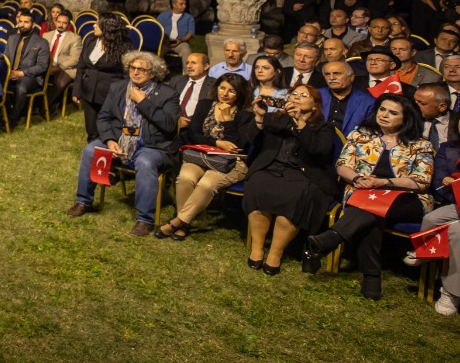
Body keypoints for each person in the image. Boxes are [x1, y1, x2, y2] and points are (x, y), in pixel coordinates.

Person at [304, 94, 436, 299]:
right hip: (364, 193)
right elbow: (342, 165)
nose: (384, 115)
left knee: (370, 211)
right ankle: (371, 278)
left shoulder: (420, 144)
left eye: (393, 113)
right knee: (373, 216)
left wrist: (383, 183)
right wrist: (357, 178)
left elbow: (421, 181)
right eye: (382, 109)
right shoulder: (360, 135)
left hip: (406, 199)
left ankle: (334, 239)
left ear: (406, 118)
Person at [66, 52, 179, 236]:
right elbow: (103, 117)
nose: (135, 72)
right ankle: (83, 201)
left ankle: (145, 219)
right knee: (91, 149)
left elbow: (169, 125)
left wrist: (143, 102)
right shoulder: (118, 88)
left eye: (141, 69)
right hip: (119, 141)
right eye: (132, 68)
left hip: (152, 145)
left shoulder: (168, 94)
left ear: (153, 73)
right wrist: (110, 141)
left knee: (145, 162)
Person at [242, 86, 338, 275]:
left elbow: (319, 152)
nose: (297, 98)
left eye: (304, 95)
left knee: (296, 196)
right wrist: (260, 117)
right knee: (257, 184)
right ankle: (257, 248)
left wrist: (301, 124)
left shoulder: (324, 128)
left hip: (304, 174)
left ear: (314, 106)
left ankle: (275, 254)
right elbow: (249, 139)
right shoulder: (275, 119)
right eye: (294, 94)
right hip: (271, 168)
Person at [158, 74, 256, 240]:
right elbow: (193, 134)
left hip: (230, 162)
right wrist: (217, 143)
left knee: (206, 184)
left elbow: (236, 145)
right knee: (185, 178)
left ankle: (178, 222)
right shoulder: (205, 105)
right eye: (222, 88)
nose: (225, 93)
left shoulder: (245, 116)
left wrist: (226, 120)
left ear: (239, 93)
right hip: (201, 156)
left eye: (231, 91)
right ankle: (186, 222)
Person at [417, 99, 459, 316]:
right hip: (455, 203)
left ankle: (452, 292)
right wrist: (450, 186)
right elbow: (437, 183)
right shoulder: (448, 149)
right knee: (432, 218)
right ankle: (423, 253)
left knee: (456, 232)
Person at [74, 14, 131, 142]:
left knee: (107, 127)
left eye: (97, 23)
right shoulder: (90, 39)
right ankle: (93, 151)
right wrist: (77, 90)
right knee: (91, 128)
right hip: (88, 91)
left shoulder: (123, 47)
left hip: (109, 93)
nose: (94, 25)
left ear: (107, 27)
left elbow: (127, 74)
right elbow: (81, 66)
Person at [2, 10, 50, 118]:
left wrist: (21, 73)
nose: (22, 25)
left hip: (30, 76)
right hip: (11, 73)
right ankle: (3, 113)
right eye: (20, 21)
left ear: (33, 25)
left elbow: (42, 66)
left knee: (21, 87)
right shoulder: (12, 38)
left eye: (26, 22)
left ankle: (13, 117)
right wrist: (8, 71)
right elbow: (6, 58)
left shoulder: (41, 42)